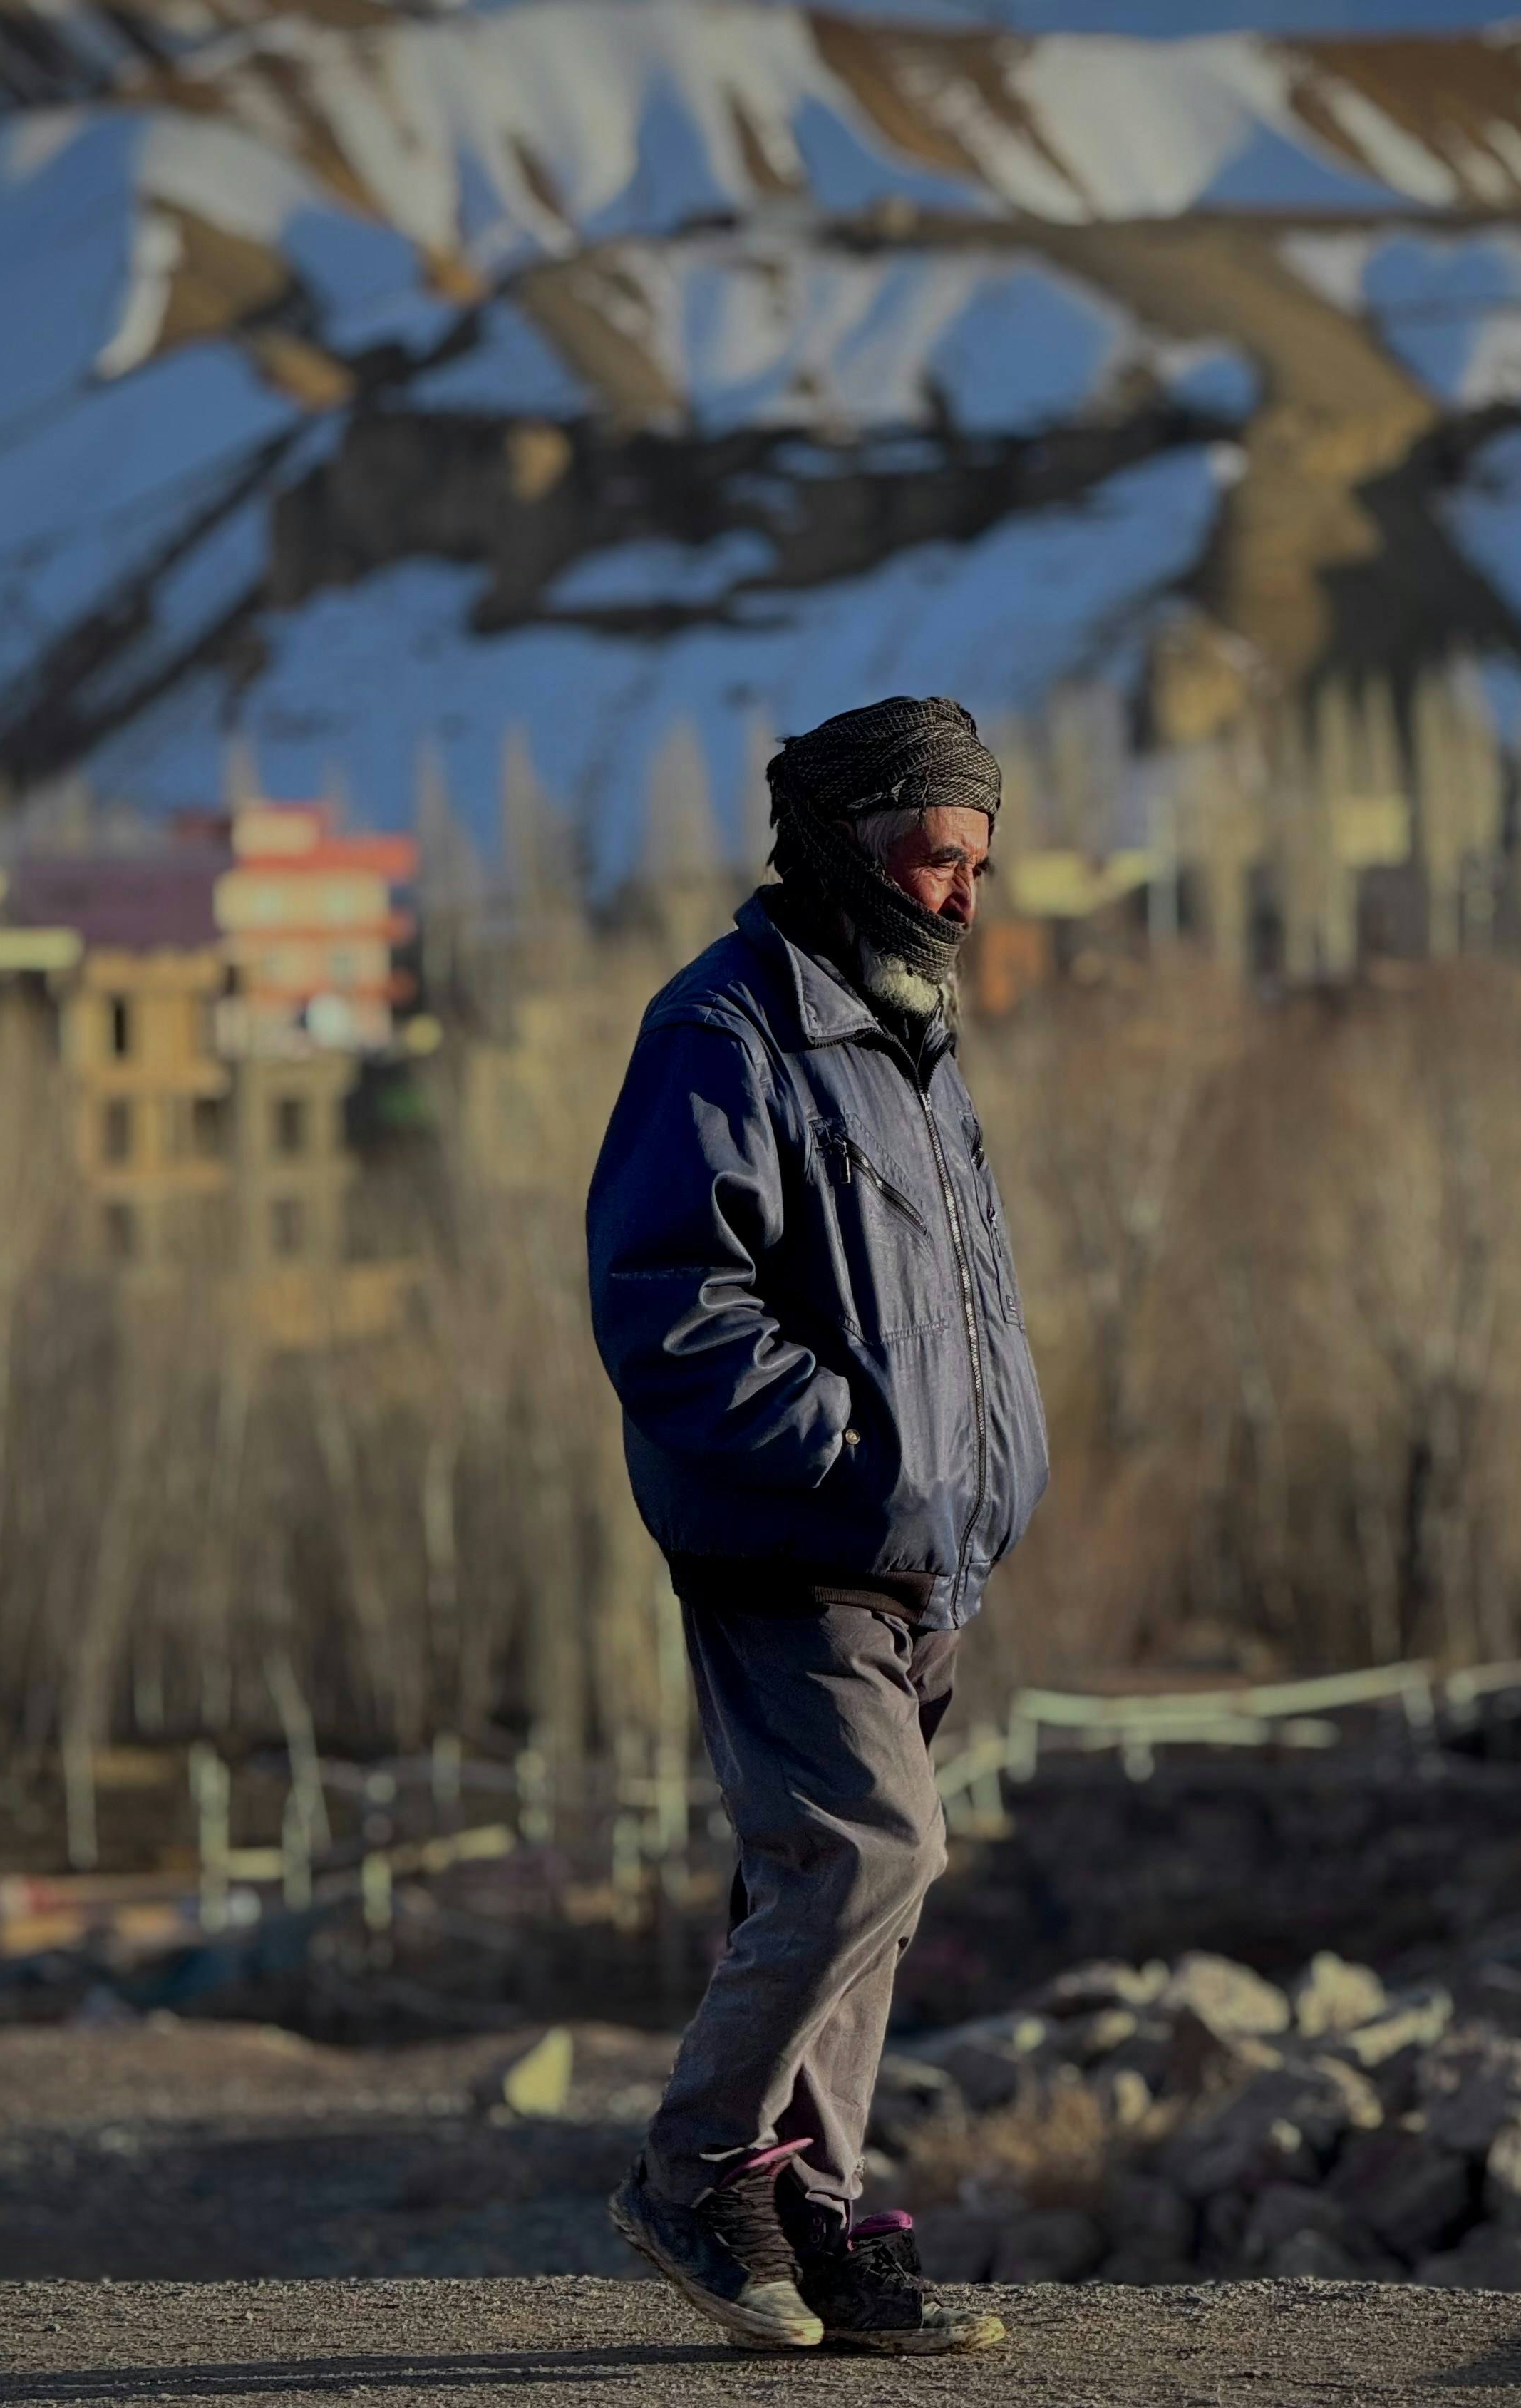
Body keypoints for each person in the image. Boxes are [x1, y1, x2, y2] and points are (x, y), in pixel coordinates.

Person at [585, 695, 1048, 2354]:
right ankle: (695, 2173)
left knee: (862, 1892)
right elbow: (666, 1305)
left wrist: (974, 1472)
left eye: (979, 861)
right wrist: (855, 1452)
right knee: (869, 1849)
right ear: (843, 844)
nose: (962, 897)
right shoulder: (724, 1029)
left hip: (923, 1549)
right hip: (791, 1539)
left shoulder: (915, 1038)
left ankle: (815, 2221)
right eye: (936, 855)